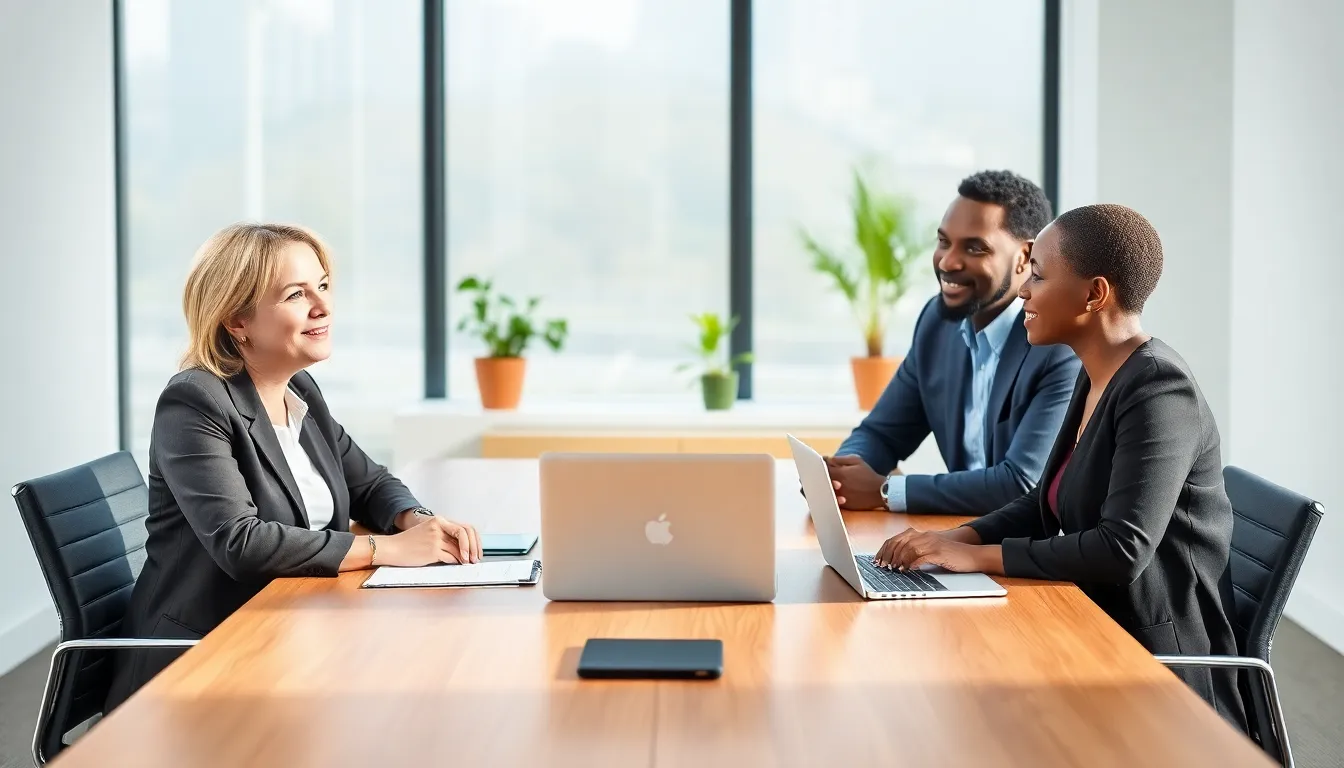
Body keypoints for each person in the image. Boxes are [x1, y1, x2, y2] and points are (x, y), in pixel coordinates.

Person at [873, 204, 1246, 728]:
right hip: (1092, 620)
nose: (1022, 289)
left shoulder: (1159, 389)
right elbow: (1040, 502)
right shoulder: (1095, 373)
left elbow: (1121, 549)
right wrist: (961, 538)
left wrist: (981, 559)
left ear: (1095, 294)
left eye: (1039, 275)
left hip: (1151, 659)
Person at [105, 223, 481, 710]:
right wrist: (386, 548)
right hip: (206, 656)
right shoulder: (194, 402)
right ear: (237, 319)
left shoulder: (299, 391)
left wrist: (418, 520)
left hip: (291, 628)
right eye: (295, 295)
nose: (322, 308)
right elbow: (241, 542)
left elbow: (369, 482)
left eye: (322, 286)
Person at [828, 170, 1080, 516]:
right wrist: (840, 477)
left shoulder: (1058, 346)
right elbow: (881, 433)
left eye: (974, 247)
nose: (947, 262)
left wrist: (884, 491)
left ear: (1025, 257)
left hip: (1022, 552)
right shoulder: (937, 324)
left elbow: (1020, 483)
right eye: (944, 241)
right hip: (955, 539)